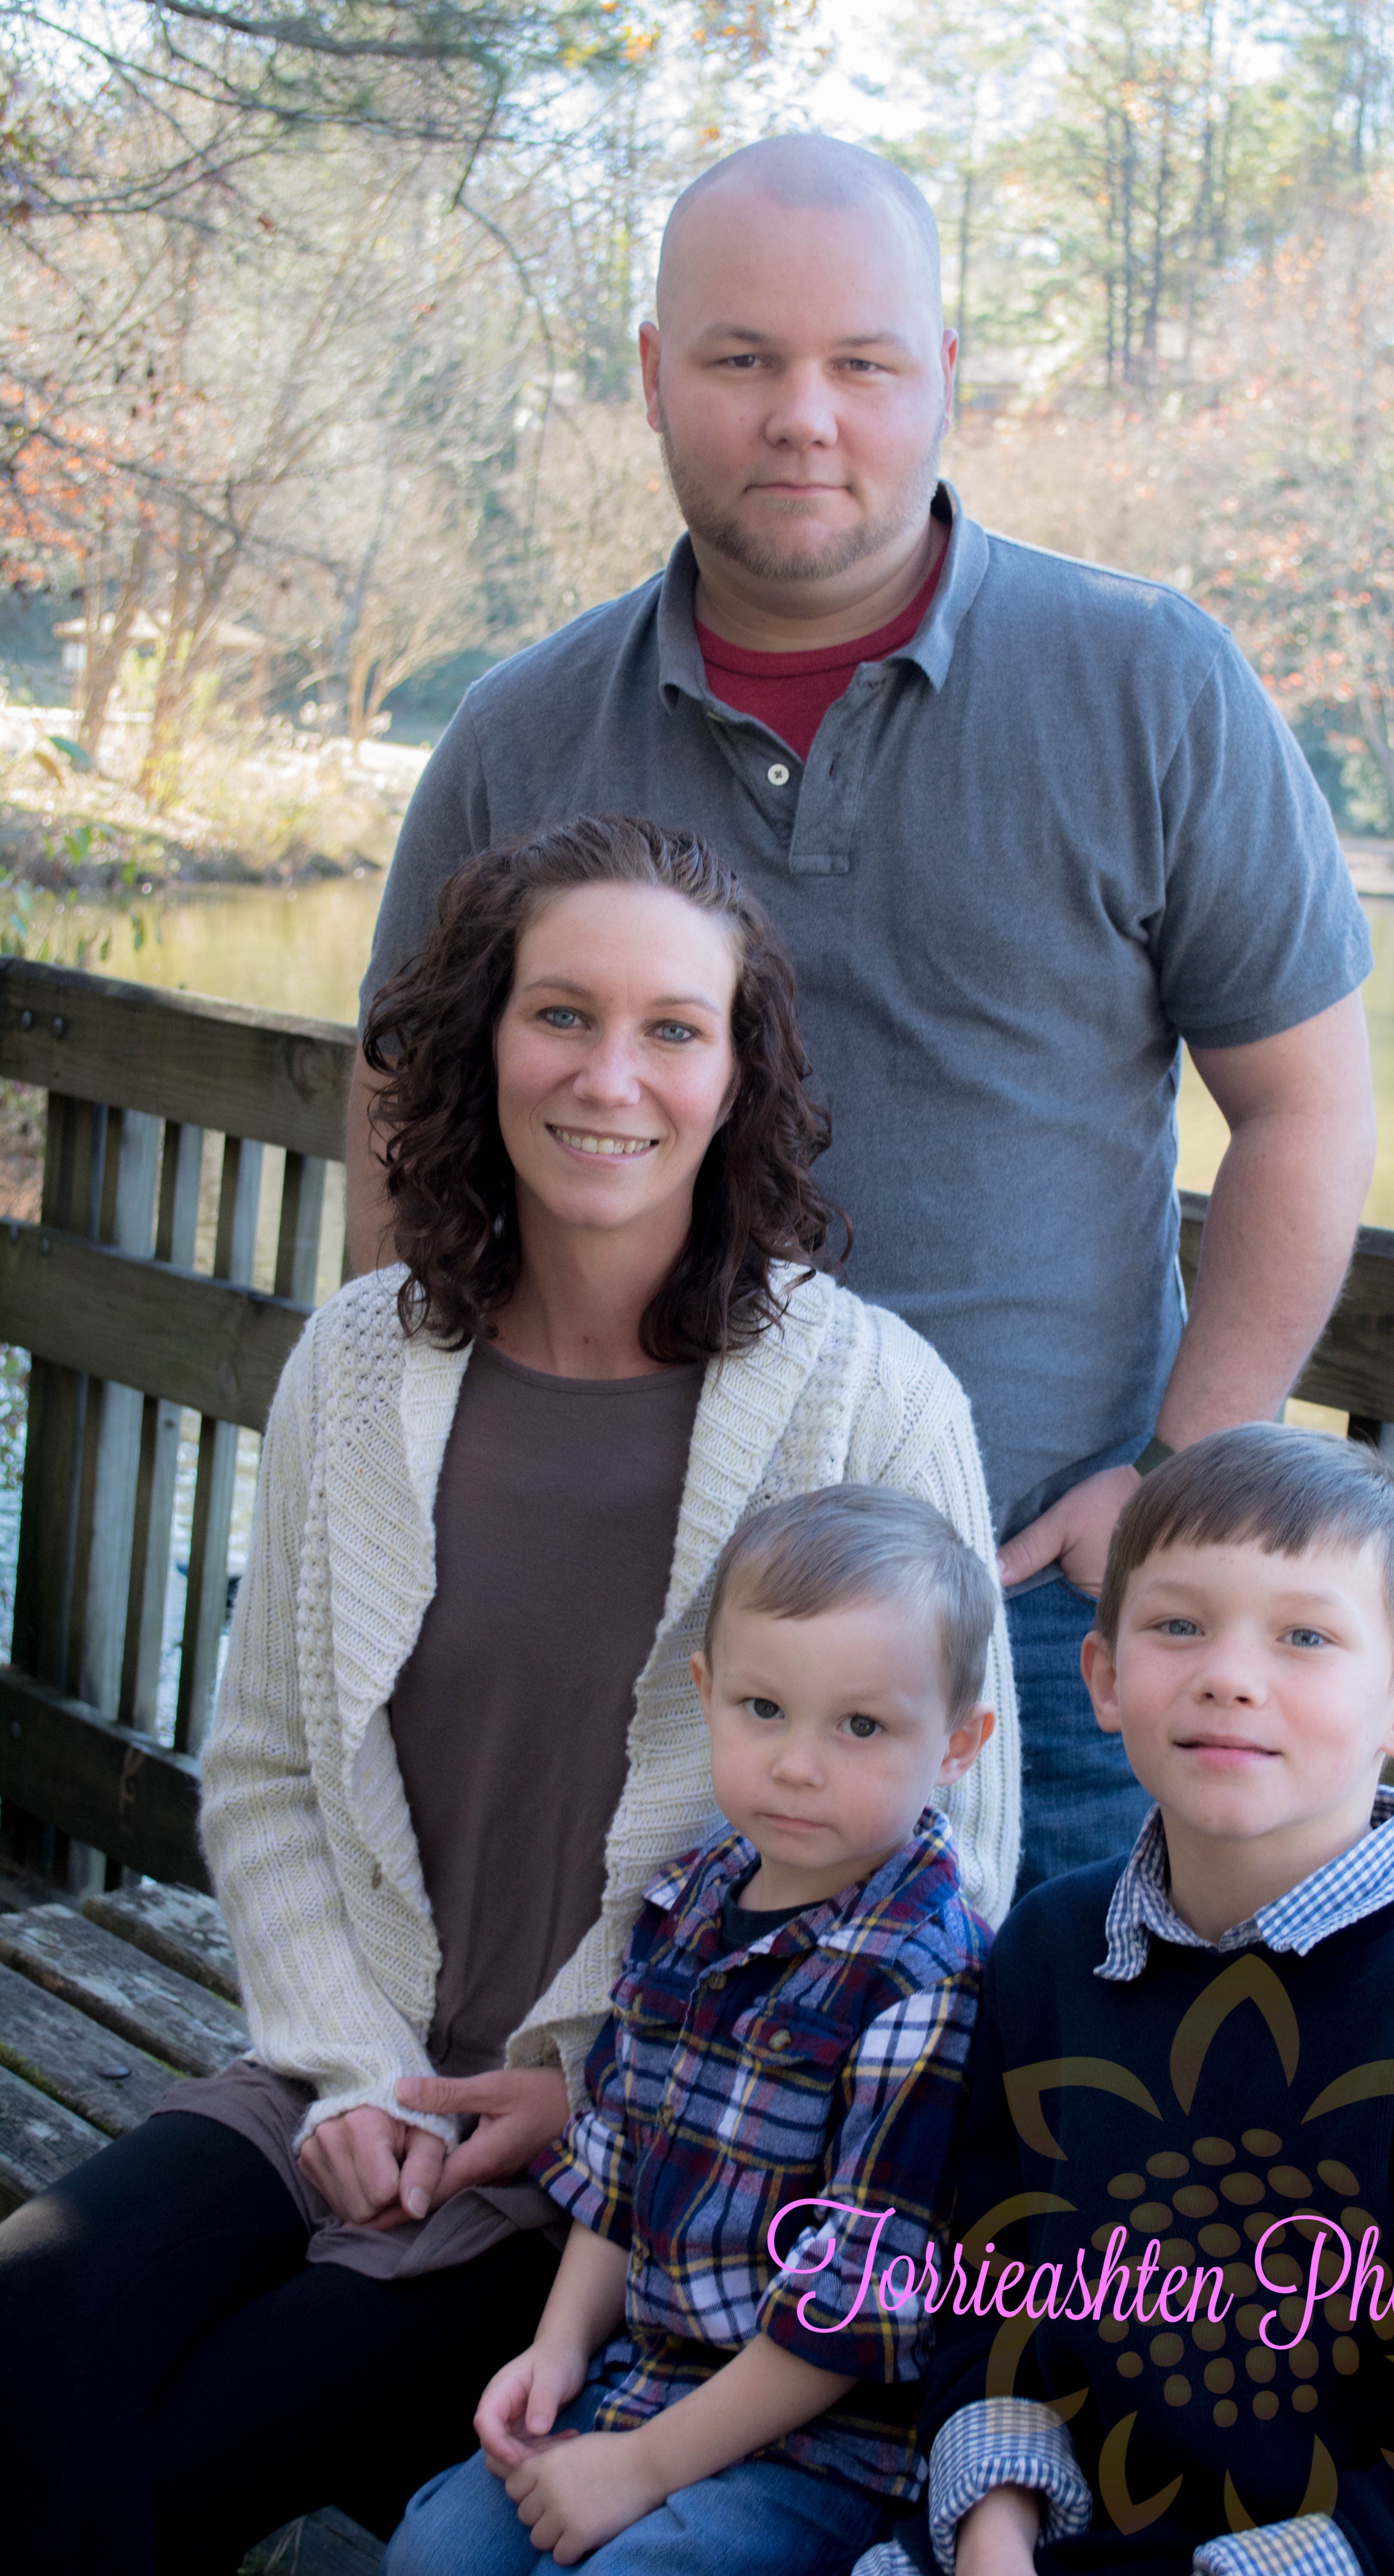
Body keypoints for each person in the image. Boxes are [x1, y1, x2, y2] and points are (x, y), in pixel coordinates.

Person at [344, 131, 1379, 1895]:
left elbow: (1305, 1105)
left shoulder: (1152, 685)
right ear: (654, 377)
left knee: (1025, 2063)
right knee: (582, 2048)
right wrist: (416, 1457)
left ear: (945, 377)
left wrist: (1181, 1476)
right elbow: (400, 1104)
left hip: (1025, 1615)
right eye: (742, 359)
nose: (802, 417)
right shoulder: (524, 732)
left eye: (864, 365)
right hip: (620, 1603)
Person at [0, 819, 1017, 2576]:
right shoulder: (361, 1362)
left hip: (617, 2181)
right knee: (29, 2332)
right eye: (561, 1014)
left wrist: (595, 2091)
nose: (611, 1077)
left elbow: (946, 1872)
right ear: (483, 1041)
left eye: (673, 1029)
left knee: (179, 2461)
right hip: (343, 2073)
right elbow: (264, 1771)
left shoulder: (871, 1403)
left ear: (739, 1073)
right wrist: (353, 2076)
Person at [862, 1425, 1394, 2576]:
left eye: (1305, 1637)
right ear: (1103, 1678)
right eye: (1178, 1626)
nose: (1228, 1674)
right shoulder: (1048, 1955)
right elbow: (990, 2290)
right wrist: (993, 2526)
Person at [384, 1484, 1001, 2576]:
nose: (797, 1764)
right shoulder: (691, 1899)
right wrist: (557, 2351)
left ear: (957, 1744)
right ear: (707, 1694)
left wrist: (641, 2469)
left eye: (860, 1727)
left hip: (820, 2447)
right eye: (763, 1709)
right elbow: (621, 2162)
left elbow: (855, 2309)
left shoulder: (925, 1978)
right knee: (435, 2552)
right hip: (644, 2375)